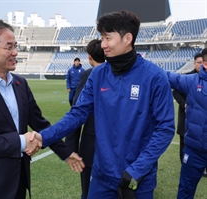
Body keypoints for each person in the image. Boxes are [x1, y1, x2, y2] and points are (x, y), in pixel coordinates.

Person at [29, 10, 175, 199]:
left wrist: (136, 170)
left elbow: (165, 129)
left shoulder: (155, 77)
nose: (103, 44)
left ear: (127, 38)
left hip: (138, 179)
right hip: (101, 176)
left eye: (107, 38)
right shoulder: (97, 75)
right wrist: (43, 137)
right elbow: (77, 114)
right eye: (101, 38)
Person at [0, 19, 82, 199]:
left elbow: (39, 123)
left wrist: (65, 152)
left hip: (17, 182)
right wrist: (22, 141)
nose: (15, 52)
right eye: (9, 47)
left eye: (15, 46)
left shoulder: (20, 84)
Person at [65, 39, 105, 199]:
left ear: (89, 57)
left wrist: (71, 147)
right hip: (108, 146)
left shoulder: (90, 74)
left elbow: (77, 112)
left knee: (90, 191)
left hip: (93, 146)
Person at [166, 47, 207, 199]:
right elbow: (169, 77)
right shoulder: (193, 81)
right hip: (194, 150)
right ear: (205, 64)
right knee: (185, 191)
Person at [172, 53, 203, 163]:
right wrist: (184, 103)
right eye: (198, 62)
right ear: (194, 63)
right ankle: (183, 162)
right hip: (185, 116)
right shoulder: (187, 78)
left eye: (202, 62)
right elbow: (176, 92)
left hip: (200, 120)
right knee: (184, 141)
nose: (200, 65)